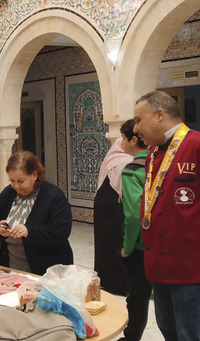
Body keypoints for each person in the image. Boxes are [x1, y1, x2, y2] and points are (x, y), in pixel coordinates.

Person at [133, 90, 200, 341]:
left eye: (139, 120)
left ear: (159, 114)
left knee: (190, 334)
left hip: (190, 269)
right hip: (158, 267)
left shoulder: (196, 145)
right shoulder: (152, 153)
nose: (135, 128)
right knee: (169, 332)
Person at [0, 151, 73, 275]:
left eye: (21, 181)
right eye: (12, 180)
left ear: (35, 175)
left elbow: (61, 230)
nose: (16, 185)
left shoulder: (53, 196)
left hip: (48, 271)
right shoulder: (9, 193)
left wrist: (29, 231)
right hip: (13, 269)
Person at [118, 119, 152, 341]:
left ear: (134, 139)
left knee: (137, 296)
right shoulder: (158, 164)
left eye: (123, 138)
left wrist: (127, 249)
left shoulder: (132, 170)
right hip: (164, 243)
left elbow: (132, 216)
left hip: (140, 245)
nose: (121, 143)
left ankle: (131, 337)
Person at [93, 137, 133, 295]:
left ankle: (109, 281)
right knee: (118, 243)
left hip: (105, 205)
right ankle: (122, 284)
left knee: (106, 245)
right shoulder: (127, 162)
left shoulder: (112, 158)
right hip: (117, 207)